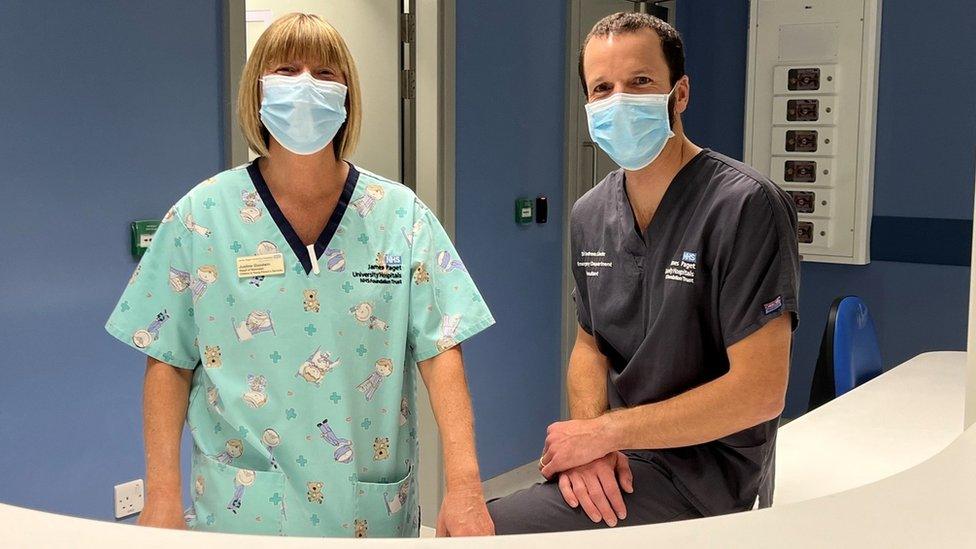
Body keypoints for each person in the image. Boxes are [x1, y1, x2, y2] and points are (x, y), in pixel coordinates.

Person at [105, 13, 496, 538]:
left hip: (368, 511)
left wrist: (466, 484)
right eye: (286, 70)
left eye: (326, 73)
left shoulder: (399, 217)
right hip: (244, 514)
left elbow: (442, 351)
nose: (306, 85)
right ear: (257, 92)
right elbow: (168, 362)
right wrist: (161, 497)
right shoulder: (202, 217)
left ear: (348, 96)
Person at [487, 12, 799, 533]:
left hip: (707, 474)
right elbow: (591, 345)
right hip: (625, 455)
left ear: (679, 94)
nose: (618, 101)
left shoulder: (746, 206)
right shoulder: (590, 213)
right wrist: (591, 439)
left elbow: (760, 391)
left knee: (479, 531)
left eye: (639, 83)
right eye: (601, 89)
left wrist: (608, 433)